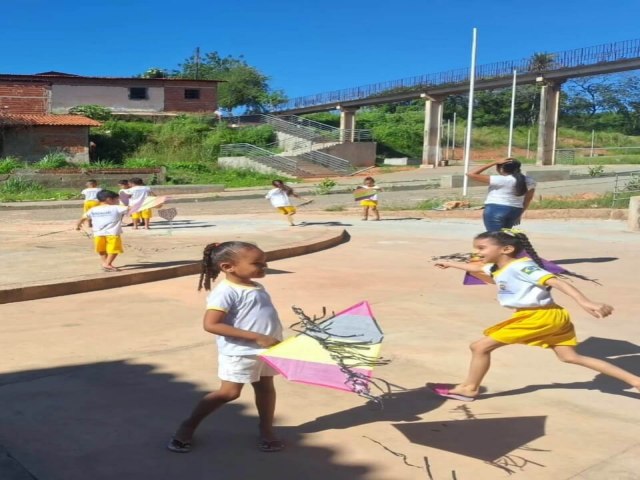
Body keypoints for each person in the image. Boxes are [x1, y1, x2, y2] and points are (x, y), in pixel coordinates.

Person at [430, 230, 640, 401]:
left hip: (538, 318)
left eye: (481, 248)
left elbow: (555, 281)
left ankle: (469, 388)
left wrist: (585, 301)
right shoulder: (498, 267)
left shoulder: (522, 266)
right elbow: (475, 267)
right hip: (552, 316)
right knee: (571, 357)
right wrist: (450, 264)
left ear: (506, 249)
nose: (476, 252)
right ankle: (635, 381)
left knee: (479, 346)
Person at [168, 241, 285, 454]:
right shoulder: (226, 292)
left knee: (266, 388)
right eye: (257, 263)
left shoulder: (257, 286)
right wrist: (257, 337)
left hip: (268, 350)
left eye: (265, 262)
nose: (264, 267)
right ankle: (188, 425)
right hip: (241, 352)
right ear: (227, 267)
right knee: (229, 393)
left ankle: (266, 429)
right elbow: (211, 324)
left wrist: (270, 339)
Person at [467, 158, 536, 231]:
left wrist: (494, 162)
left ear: (501, 169)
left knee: (495, 238)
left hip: (496, 209)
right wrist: (519, 214)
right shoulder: (529, 180)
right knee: (504, 237)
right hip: (515, 210)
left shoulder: (500, 179)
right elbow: (528, 199)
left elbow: (470, 174)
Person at [76, 190, 128, 272]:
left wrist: (78, 225)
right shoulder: (117, 207)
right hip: (112, 233)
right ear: (109, 199)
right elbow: (131, 209)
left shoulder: (93, 209)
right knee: (114, 250)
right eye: (117, 200)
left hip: (98, 233)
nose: (118, 201)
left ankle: (106, 263)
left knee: (101, 249)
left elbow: (83, 218)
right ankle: (107, 264)